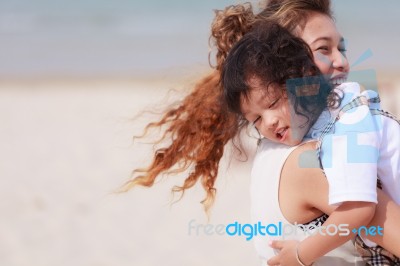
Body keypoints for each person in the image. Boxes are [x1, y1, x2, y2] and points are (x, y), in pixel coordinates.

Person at [123, 0, 400, 264]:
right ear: (289, 62)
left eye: (341, 48)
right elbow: (367, 213)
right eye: (323, 50)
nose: (341, 62)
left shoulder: (280, 147)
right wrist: (303, 254)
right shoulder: (312, 155)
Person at [222, 18, 400, 265]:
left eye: (273, 103)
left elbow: (360, 208)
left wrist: (300, 254)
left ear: (304, 76)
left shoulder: (346, 122)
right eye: (256, 120)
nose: (269, 122)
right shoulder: (310, 136)